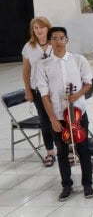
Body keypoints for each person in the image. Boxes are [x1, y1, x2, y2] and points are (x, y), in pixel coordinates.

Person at [37, 27, 93, 201]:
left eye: (62, 38)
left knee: (83, 150)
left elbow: (87, 83)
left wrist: (77, 95)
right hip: (58, 117)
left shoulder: (78, 59)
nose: (59, 42)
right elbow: (44, 95)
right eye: (54, 38)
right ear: (49, 41)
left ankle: (87, 184)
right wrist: (52, 119)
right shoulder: (43, 65)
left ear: (67, 40)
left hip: (78, 114)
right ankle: (66, 185)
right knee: (62, 152)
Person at [21, 17, 56, 167]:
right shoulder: (29, 47)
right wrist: (28, 90)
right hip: (38, 90)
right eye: (36, 28)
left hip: (55, 89)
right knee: (45, 121)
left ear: (48, 28)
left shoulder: (55, 42)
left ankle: (67, 149)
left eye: (41, 27)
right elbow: (26, 71)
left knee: (60, 119)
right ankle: (50, 152)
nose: (39, 30)